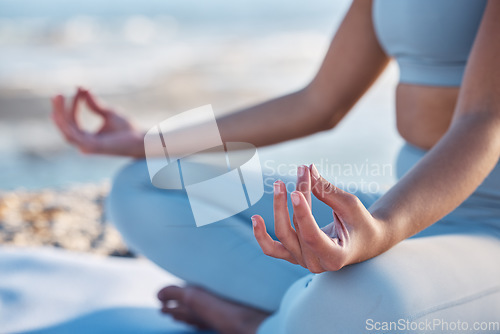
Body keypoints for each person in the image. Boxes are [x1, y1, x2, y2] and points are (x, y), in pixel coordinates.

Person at [51, 0, 500, 333]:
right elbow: (318, 101)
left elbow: (484, 120)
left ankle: (260, 323)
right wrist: (155, 141)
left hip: (485, 233)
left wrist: (381, 229)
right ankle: (297, 311)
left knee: (362, 302)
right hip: (409, 208)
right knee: (147, 179)